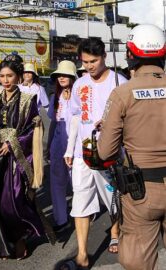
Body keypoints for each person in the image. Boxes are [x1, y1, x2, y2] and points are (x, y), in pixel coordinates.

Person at [0, 54, 54, 259]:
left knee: (14, 202)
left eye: (10, 75)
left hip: (17, 158)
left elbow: (33, 128)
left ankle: (21, 238)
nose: (6, 80)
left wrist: (13, 144)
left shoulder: (27, 101)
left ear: (18, 77)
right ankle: (4, 244)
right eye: (2, 76)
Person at [97, 24, 166, 270]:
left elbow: (104, 152)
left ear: (130, 54)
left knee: (137, 260)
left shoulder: (123, 93)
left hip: (141, 192)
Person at [61, 37, 127, 269]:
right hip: (83, 154)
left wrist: (110, 122)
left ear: (104, 57)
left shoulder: (120, 81)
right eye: (85, 62)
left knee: (113, 198)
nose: (89, 66)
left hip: (109, 153)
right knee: (80, 201)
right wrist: (70, 149)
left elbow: (130, 118)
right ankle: (82, 254)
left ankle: (116, 230)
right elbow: (76, 118)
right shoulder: (79, 84)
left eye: (94, 61)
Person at [47, 60, 76, 232]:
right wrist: (49, 145)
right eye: (59, 75)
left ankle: (84, 214)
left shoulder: (79, 95)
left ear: (73, 76)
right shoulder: (55, 97)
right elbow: (52, 123)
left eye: (65, 75)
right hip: (58, 140)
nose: (62, 78)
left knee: (77, 181)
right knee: (57, 181)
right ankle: (61, 219)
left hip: (75, 141)